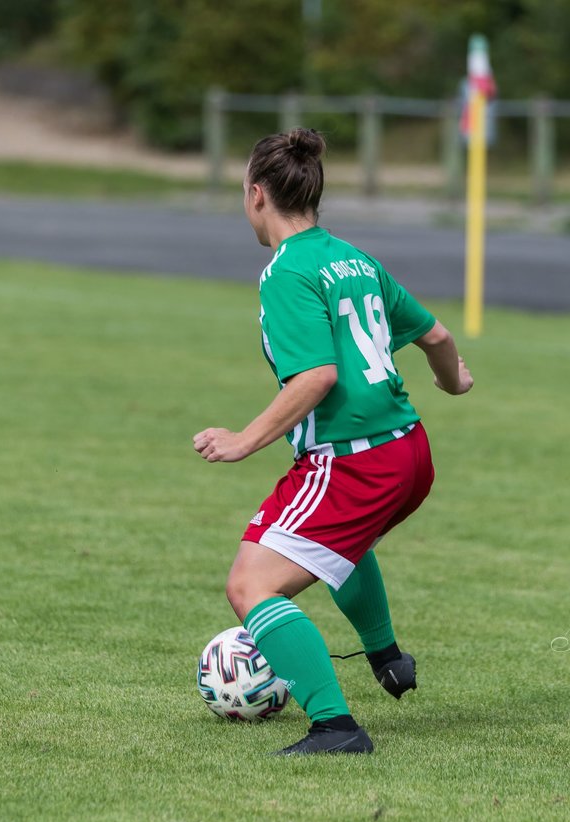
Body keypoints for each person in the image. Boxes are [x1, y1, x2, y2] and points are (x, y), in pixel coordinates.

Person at [193, 128, 473, 755]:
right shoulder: (354, 259)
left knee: (250, 586)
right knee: (335, 545)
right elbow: (437, 337)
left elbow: (317, 377)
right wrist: (455, 382)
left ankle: (335, 726)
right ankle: (388, 658)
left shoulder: (286, 274)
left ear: (256, 194)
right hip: (409, 451)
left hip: (354, 460)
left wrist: (243, 440)